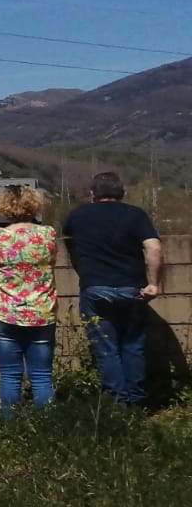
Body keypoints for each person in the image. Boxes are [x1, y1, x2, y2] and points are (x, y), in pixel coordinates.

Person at [62, 171, 162, 407]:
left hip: (95, 288)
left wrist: (83, 270)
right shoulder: (135, 215)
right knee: (133, 346)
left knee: (106, 350)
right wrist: (154, 283)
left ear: (92, 194)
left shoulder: (77, 215)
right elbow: (154, 248)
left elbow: (70, 244)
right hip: (132, 289)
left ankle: (116, 402)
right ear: (122, 193)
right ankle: (136, 402)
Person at [0, 185, 59, 418]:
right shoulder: (47, 234)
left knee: (10, 374)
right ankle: (48, 426)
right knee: (42, 375)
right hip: (42, 312)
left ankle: (11, 429)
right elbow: (52, 261)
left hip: (4, 312)